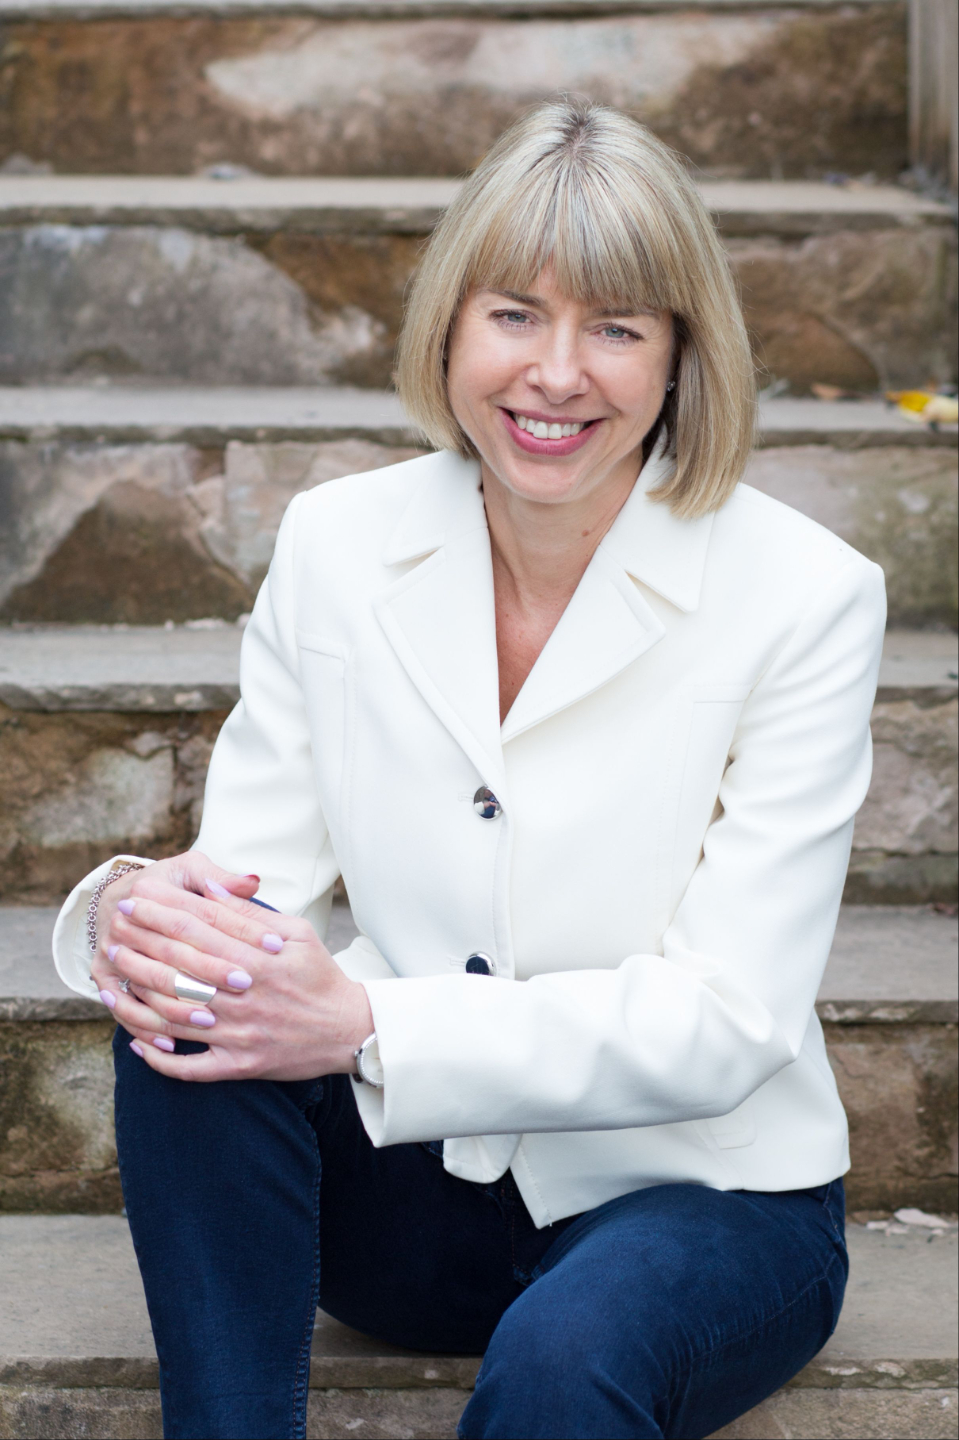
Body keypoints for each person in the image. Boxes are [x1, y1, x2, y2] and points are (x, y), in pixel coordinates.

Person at [52, 100, 885, 1440]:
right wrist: (149, 921)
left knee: (566, 1358)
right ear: (449, 327)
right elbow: (247, 887)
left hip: (701, 1202)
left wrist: (369, 1027)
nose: (555, 374)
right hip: (412, 1198)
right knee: (193, 1005)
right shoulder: (338, 544)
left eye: (616, 328)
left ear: (683, 357)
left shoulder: (806, 595)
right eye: (515, 314)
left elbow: (731, 1019)